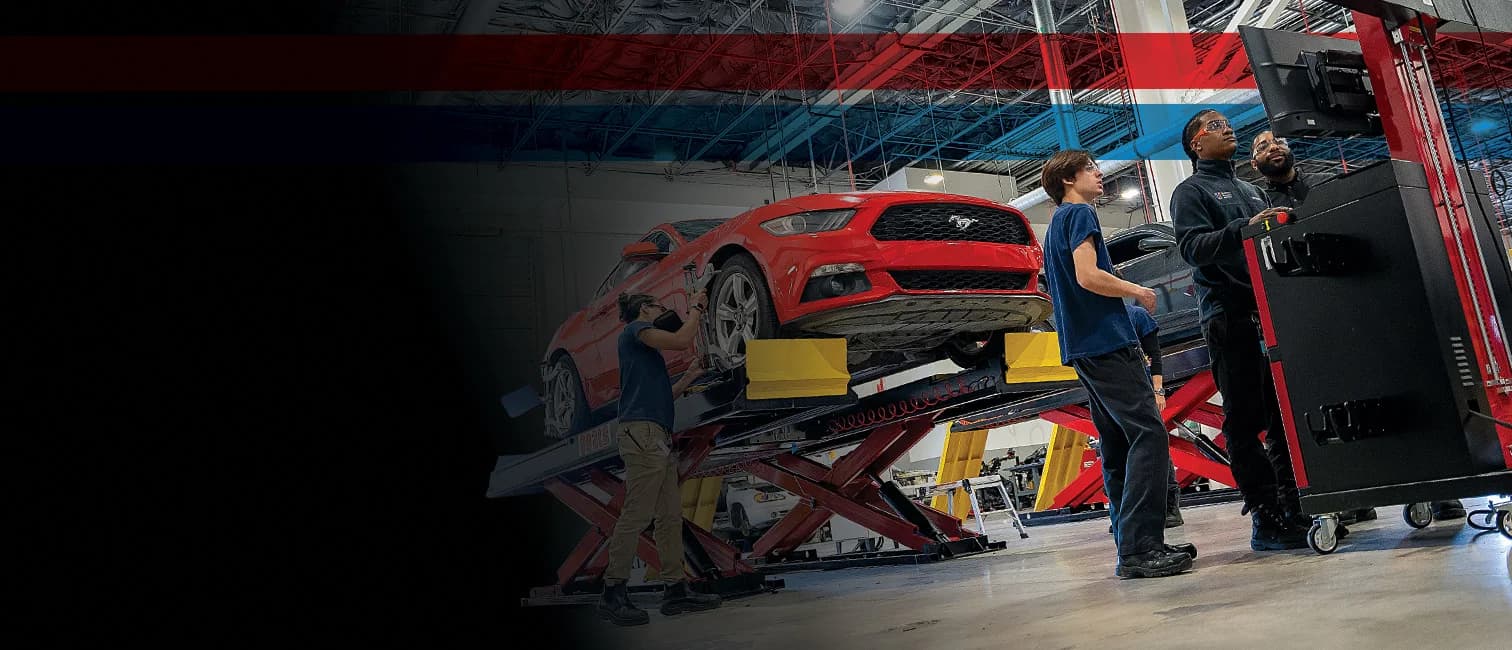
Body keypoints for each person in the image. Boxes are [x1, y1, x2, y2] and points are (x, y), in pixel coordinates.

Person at [1249, 130, 1462, 524]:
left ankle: (1438, 488)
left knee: (1399, 392)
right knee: (1336, 403)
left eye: (1278, 140)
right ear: (1253, 164)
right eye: (1261, 146)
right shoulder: (1257, 205)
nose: (1273, 147)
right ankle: (1354, 494)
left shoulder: (1327, 182)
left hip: (1363, 302)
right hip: (1310, 318)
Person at [1039, 149, 1195, 578]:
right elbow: (1088, 276)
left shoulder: (1055, 226)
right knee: (1149, 434)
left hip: (1083, 347)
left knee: (1118, 444)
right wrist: (1136, 292)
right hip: (1107, 342)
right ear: (1069, 180)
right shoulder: (1080, 216)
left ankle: (1136, 544)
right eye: (1089, 169)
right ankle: (1140, 548)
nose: (1098, 174)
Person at [1172, 109, 1313, 551]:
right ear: (1196, 144)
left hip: (1269, 315)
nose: (1226, 128)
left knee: (1282, 418)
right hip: (1228, 317)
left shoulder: (1252, 190)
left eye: (1227, 123)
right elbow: (1192, 248)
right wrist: (1240, 229)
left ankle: (1296, 505)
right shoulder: (1190, 191)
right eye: (1213, 126)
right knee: (1245, 420)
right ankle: (1265, 517)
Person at [597, 290, 721, 626]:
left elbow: (667, 394)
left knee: (669, 517)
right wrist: (696, 306)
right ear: (645, 309)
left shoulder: (644, 355)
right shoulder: (634, 331)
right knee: (636, 514)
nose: (663, 311)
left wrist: (691, 375)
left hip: (657, 435)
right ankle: (613, 592)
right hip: (643, 435)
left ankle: (675, 590)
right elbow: (681, 340)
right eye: (660, 307)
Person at [1127, 303, 1185, 528]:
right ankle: (1133, 510)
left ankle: (1171, 506)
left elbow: (1155, 355)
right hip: (1119, 392)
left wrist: (1158, 390)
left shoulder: (1137, 316)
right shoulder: (1099, 317)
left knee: (1155, 444)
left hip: (1143, 390)